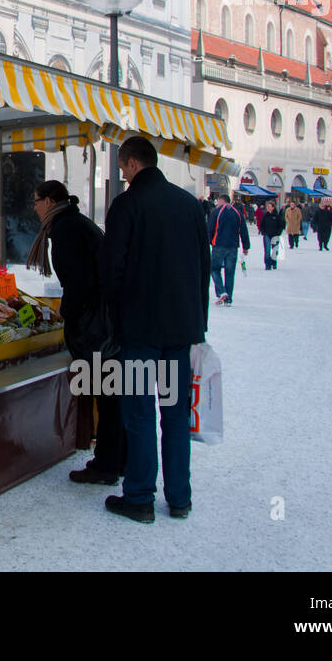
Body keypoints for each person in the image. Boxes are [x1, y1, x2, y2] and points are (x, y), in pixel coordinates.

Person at [99, 136, 208, 523]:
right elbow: (203, 268)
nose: (123, 172)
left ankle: (141, 497)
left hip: (140, 330)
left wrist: (111, 319)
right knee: (176, 415)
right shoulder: (189, 204)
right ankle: (180, 498)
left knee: (140, 413)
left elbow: (112, 269)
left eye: (123, 166)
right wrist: (199, 325)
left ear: (130, 164)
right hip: (180, 329)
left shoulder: (127, 205)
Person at [28, 181, 125, 485]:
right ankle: (118, 459)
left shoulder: (65, 229)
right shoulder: (76, 222)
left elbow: (79, 281)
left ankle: (107, 465)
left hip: (95, 326)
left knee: (107, 395)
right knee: (111, 396)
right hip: (106, 320)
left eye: (36, 200)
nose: (34, 207)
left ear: (49, 201)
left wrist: (66, 310)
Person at [207, 193, 249, 305]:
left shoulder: (217, 212)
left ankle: (222, 292)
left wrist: (207, 242)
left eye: (218, 201)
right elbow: (243, 230)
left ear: (222, 201)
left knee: (214, 269)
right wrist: (246, 246)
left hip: (219, 245)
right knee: (230, 272)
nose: (216, 203)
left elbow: (210, 228)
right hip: (233, 246)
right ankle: (228, 298)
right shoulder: (237, 213)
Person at [259, 200, 284, 269]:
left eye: (269, 206)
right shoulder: (265, 216)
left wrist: (278, 233)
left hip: (275, 235)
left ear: (273, 207)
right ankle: (267, 264)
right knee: (267, 250)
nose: (268, 208)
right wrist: (263, 231)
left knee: (275, 250)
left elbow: (281, 225)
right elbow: (261, 225)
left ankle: (274, 262)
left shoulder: (277, 216)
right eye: (267, 207)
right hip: (267, 235)